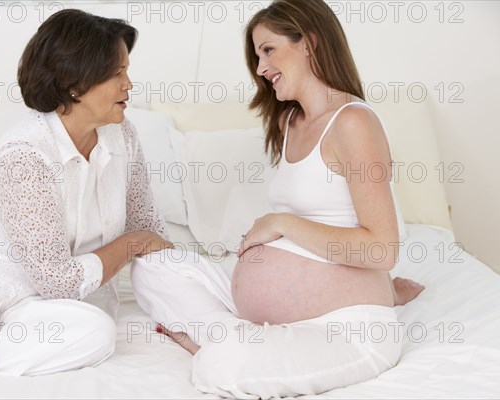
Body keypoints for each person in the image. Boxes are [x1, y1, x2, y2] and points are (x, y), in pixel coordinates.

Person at [131, 0, 424, 397]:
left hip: (344, 326)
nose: (260, 68)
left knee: (219, 366)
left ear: (309, 43)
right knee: (153, 267)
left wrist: (280, 223)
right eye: (256, 55)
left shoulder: (353, 122)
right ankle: (245, 333)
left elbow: (382, 251)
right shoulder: (290, 121)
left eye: (268, 50)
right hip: (268, 310)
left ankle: (225, 342)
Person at [0, 9, 172, 393]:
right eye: (116, 73)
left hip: (33, 301)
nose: (129, 84)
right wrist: (131, 244)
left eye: (127, 70)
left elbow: (147, 225)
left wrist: (185, 296)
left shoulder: (123, 137)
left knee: (96, 332)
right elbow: (61, 279)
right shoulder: (26, 155)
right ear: (75, 85)